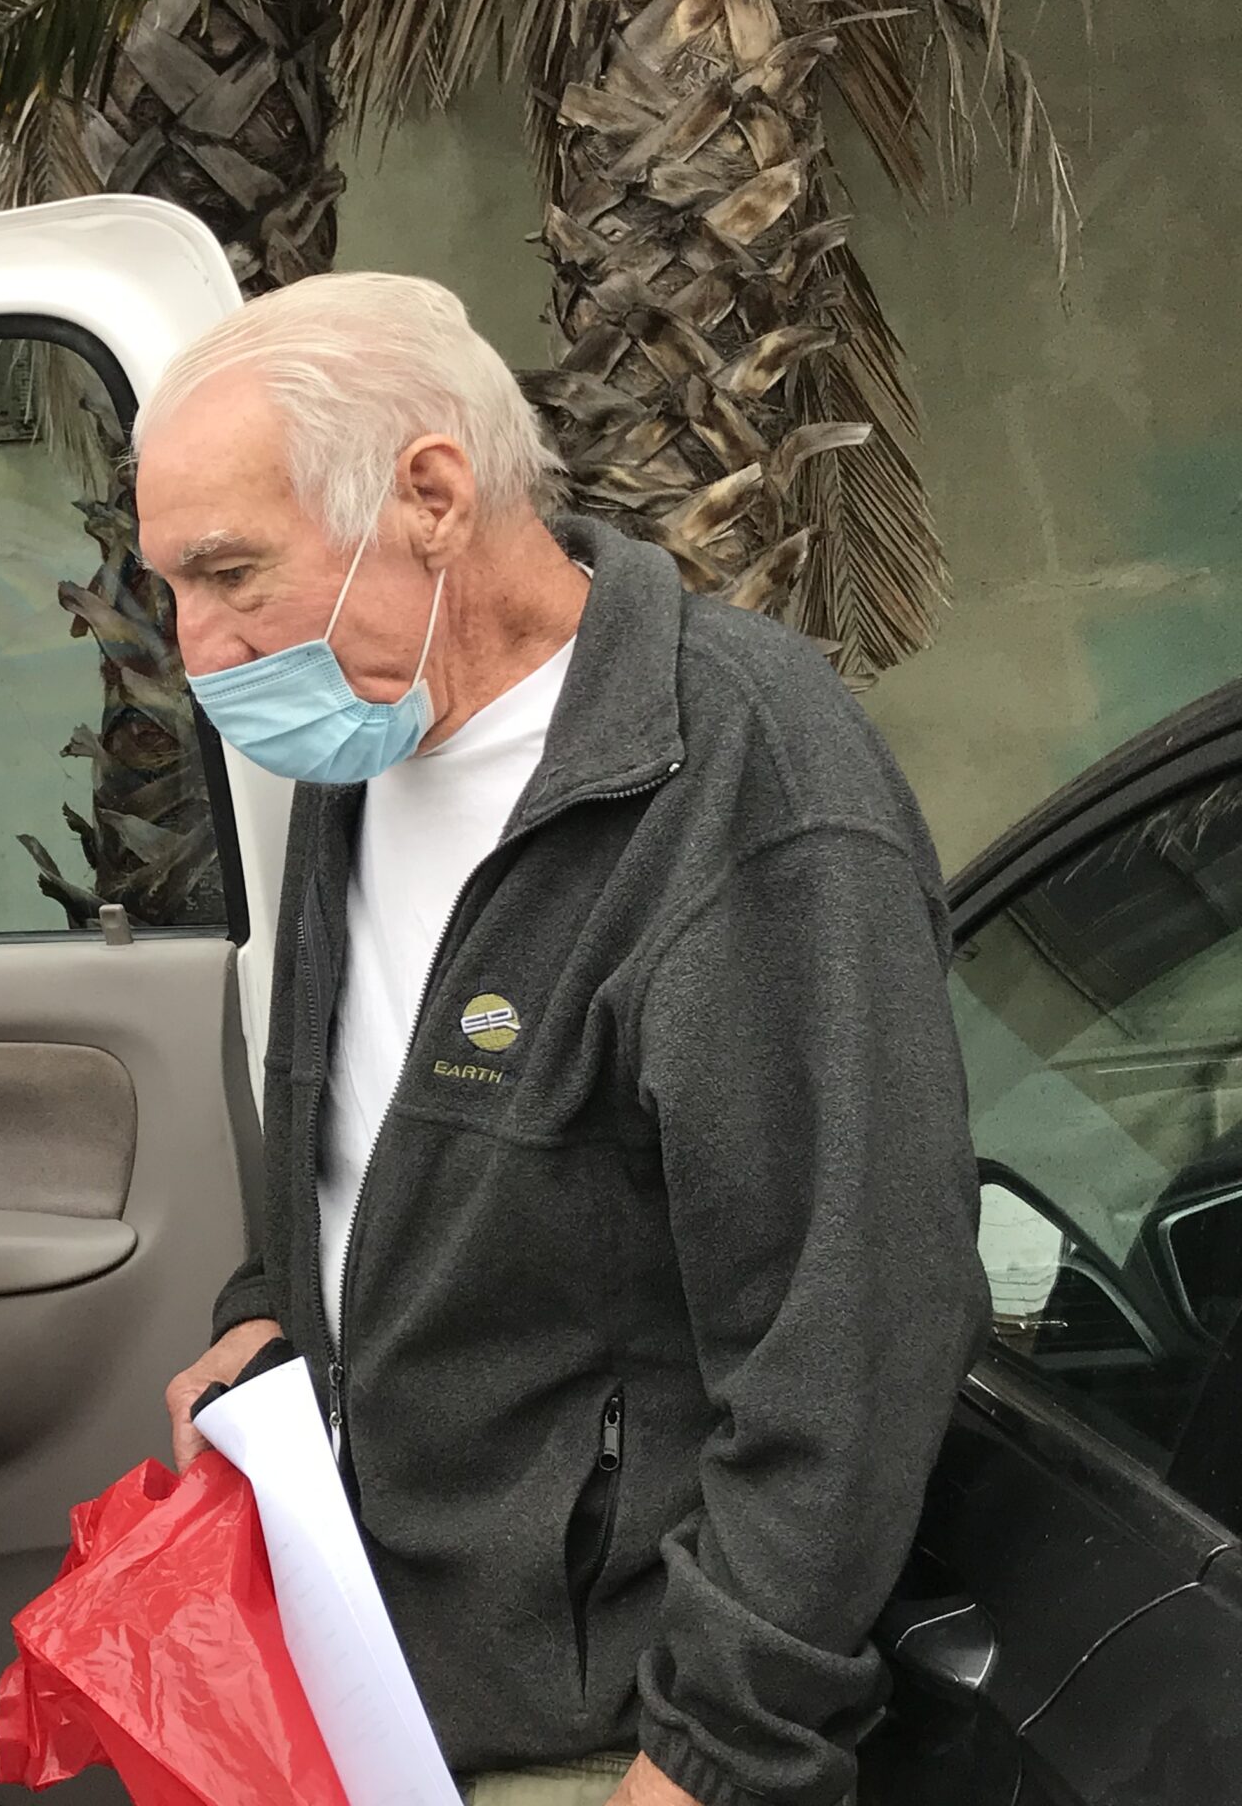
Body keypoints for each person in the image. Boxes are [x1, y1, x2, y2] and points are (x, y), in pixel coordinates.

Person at [146, 275, 986, 1806]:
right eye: (172, 590)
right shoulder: (370, 733)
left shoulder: (747, 790)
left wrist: (715, 1757)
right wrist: (280, 1317)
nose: (198, 651)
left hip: (607, 1742)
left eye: (229, 574)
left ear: (433, 496)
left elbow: (848, 1343)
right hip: (384, 1673)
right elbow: (376, 1152)